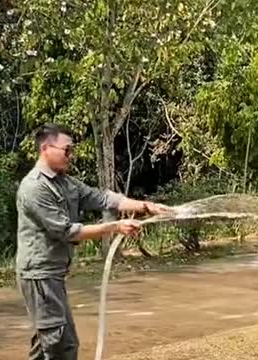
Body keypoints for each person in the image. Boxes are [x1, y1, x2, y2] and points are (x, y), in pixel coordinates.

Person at [15, 123, 172, 359]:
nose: (71, 155)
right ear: (46, 148)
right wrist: (115, 227)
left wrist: (145, 206)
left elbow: (102, 198)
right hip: (40, 276)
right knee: (61, 346)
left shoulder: (64, 181)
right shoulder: (34, 187)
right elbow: (67, 231)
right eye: (66, 150)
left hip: (52, 275)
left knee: (47, 342)